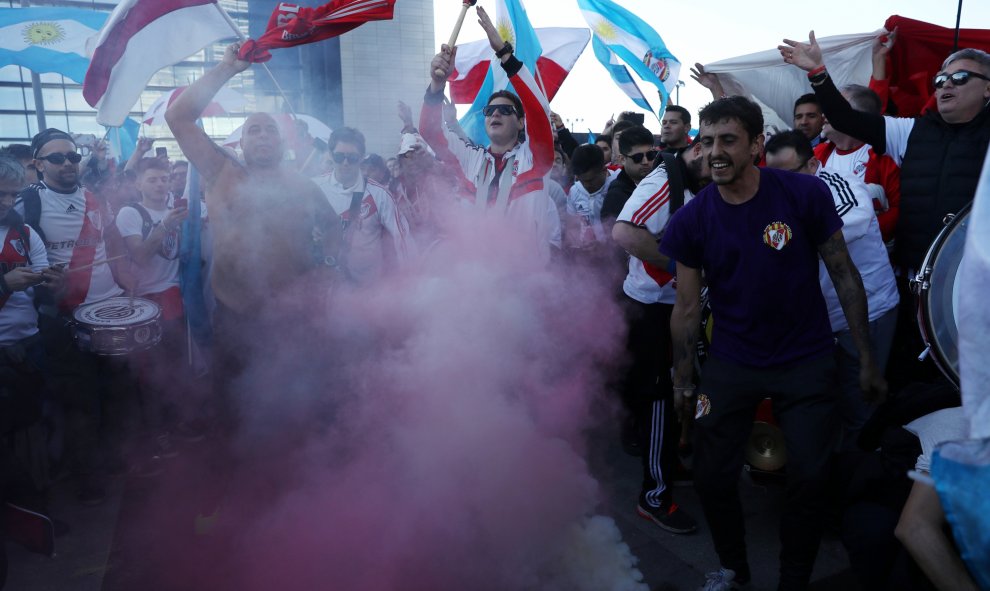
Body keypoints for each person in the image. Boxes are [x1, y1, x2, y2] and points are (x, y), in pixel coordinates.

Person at [660, 96, 885, 591]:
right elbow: (687, 307)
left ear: (757, 144)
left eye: (727, 140)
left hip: (806, 359)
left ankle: (794, 578)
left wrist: (866, 357)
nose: (713, 152)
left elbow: (844, 274)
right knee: (712, 477)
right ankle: (733, 569)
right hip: (732, 362)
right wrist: (681, 380)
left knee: (809, 477)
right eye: (706, 141)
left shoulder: (803, 194)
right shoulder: (692, 218)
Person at [780, 35, 990, 389]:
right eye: (940, 79)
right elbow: (847, 117)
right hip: (912, 287)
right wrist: (817, 71)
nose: (946, 85)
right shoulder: (909, 131)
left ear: (987, 90)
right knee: (909, 384)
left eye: (960, 77)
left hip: (975, 292)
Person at [165, 42, 339, 429]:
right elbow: (178, 117)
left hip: (293, 318)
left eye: (269, 131)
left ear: (281, 143)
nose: (262, 136)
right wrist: (227, 68)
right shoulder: (222, 173)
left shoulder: (303, 186)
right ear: (241, 144)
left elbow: (332, 226)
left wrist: (328, 264)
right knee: (236, 413)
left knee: (297, 409)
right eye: (253, 130)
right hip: (236, 317)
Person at [765, 130, 899, 450]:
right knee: (822, 409)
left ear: (813, 165)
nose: (779, 184)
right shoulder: (777, 195)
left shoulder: (840, 184)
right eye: (772, 176)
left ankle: (861, 482)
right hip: (820, 322)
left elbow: (853, 219)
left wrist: (782, 240)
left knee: (860, 407)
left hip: (870, 311)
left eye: (788, 174)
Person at [15, 129, 127, 505]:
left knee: (115, 393)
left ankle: (116, 464)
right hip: (65, 318)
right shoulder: (26, 205)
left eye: (73, 157)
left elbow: (112, 243)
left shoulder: (96, 199)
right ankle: (87, 478)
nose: (67, 164)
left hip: (109, 309)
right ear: (38, 164)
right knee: (79, 403)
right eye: (57, 158)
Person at [610, 138, 710, 535]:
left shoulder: (692, 182)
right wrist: (683, 265)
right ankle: (654, 496)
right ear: (700, 148)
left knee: (677, 392)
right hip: (653, 310)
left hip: (676, 305)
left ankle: (667, 464)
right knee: (658, 400)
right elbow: (623, 233)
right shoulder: (665, 181)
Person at [421, 5, 560, 263]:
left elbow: (540, 112)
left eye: (505, 110)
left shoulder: (535, 158)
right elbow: (430, 131)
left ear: (521, 122)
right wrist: (437, 84)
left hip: (528, 284)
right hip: (479, 283)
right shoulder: (471, 159)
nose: (495, 115)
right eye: (490, 110)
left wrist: (505, 55)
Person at [314, 127, 413, 285]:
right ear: (332, 155)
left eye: (352, 157)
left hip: (366, 292)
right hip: (324, 287)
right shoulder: (314, 188)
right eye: (339, 157)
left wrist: (408, 280)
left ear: (361, 158)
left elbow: (402, 238)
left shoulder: (379, 194)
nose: (345, 163)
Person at [814, 84, 901, 244]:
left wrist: (860, 236)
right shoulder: (816, 156)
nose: (825, 114)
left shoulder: (886, 155)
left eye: (835, 107)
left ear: (857, 116)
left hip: (873, 258)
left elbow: (900, 210)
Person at [600, 125, 658, 222]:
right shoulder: (615, 196)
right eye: (638, 157)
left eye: (650, 155)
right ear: (622, 159)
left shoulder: (662, 183)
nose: (645, 161)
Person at [565, 144, 618, 250]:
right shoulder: (575, 191)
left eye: (590, 180)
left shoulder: (618, 185)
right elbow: (572, 227)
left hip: (616, 253)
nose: (585, 185)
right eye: (581, 180)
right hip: (586, 255)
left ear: (603, 170)